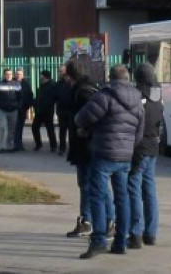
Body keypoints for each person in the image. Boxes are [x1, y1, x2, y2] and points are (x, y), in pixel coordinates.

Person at [75, 65, 145, 259]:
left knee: (97, 196)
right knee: (122, 197)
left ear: (110, 77)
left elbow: (81, 118)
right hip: (125, 156)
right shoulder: (138, 100)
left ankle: (99, 240)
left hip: (104, 153)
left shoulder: (105, 95)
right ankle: (121, 241)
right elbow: (139, 133)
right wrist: (128, 146)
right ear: (127, 78)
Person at [128, 62, 164, 249]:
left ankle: (135, 232)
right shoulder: (158, 96)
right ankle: (151, 233)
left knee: (134, 188)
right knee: (149, 190)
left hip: (139, 148)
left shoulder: (138, 97)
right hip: (153, 147)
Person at [63, 60, 99, 238]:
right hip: (85, 144)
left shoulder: (82, 91)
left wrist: (83, 129)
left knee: (88, 185)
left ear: (69, 75)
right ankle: (94, 220)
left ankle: (89, 221)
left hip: (85, 145)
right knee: (89, 185)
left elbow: (93, 115)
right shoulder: (89, 87)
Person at [0, 68, 21, 153]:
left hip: (13, 110)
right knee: (3, 127)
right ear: (4, 75)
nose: (8, 76)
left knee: (12, 129)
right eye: (7, 74)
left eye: (10, 74)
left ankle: (10, 146)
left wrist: (18, 105)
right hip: (2, 110)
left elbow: (20, 97)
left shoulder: (17, 85)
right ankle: (2, 147)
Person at [31, 70, 57, 152]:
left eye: (41, 75)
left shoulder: (52, 85)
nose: (40, 77)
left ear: (44, 76)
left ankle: (53, 146)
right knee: (35, 127)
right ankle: (38, 144)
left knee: (50, 129)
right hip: (40, 110)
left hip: (47, 110)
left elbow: (53, 98)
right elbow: (39, 97)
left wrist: (47, 104)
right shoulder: (42, 85)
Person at [13, 68, 34, 152]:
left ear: (23, 75)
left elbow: (30, 95)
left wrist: (28, 106)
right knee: (14, 127)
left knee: (20, 127)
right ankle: (14, 144)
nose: (18, 76)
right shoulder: (12, 83)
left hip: (22, 109)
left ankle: (19, 144)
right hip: (13, 109)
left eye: (20, 74)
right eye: (17, 74)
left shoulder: (26, 84)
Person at [54, 64, 71, 157]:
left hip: (70, 110)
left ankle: (72, 148)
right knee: (62, 130)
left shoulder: (71, 82)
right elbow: (55, 96)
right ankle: (62, 148)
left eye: (61, 71)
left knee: (71, 130)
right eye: (59, 71)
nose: (60, 73)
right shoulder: (58, 84)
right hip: (61, 110)